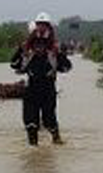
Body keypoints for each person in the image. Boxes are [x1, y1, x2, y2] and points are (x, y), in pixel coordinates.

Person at [10, 12, 72, 145]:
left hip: (48, 90)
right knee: (30, 123)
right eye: (37, 44)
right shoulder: (27, 51)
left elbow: (66, 67)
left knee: (49, 120)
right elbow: (14, 65)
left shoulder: (53, 51)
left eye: (42, 44)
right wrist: (20, 50)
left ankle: (56, 138)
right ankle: (34, 150)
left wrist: (60, 54)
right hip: (31, 90)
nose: (39, 47)